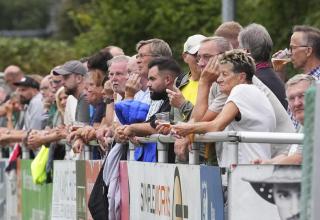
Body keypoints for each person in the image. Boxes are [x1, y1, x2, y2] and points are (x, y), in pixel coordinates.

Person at [172, 50, 276, 165]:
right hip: (248, 171)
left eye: (225, 74)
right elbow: (203, 121)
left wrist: (186, 128)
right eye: (219, 74)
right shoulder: (248, 92)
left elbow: (216, 125)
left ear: (241, 77)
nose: (219, 79)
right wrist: (185, 128)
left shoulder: (242, 90)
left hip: (248, 172)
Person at [254, 74, 315, 165]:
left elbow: (300, 158)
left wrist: (268, 166)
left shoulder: (316, 125)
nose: (296, 103)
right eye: (291, 98)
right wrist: (267, 162)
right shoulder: (302, 125)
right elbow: (287, 154)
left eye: (302, 96)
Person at [238, 23, 288, 109]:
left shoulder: (253, 81)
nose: (236, 51)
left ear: (246, 51)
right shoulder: (275, 77)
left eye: (239, 47)